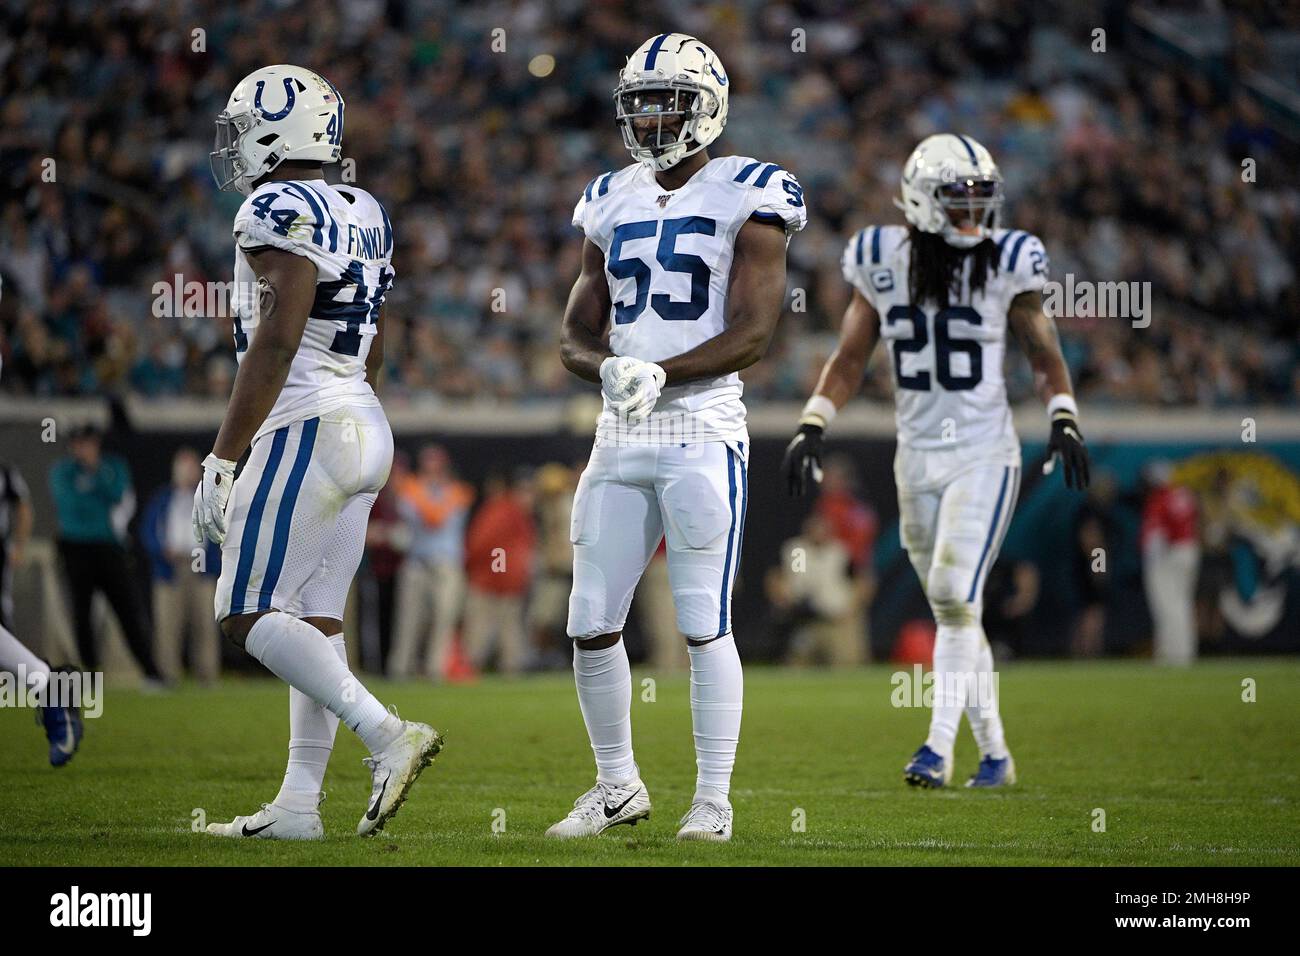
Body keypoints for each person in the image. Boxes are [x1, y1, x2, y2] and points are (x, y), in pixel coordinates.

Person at [547, 34, 806, 842]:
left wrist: (663, 372)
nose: (654, 118)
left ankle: (713, 799)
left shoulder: (752, 191)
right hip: (620, 433)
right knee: (589, 616)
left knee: (702, 621)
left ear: (710, 106)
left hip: (701, 427)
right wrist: (608, 371)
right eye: (642, 103)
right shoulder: (608, 196)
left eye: (671, 102)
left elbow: (758, 331)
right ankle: (617, 785)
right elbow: (573, 333)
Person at [784, 134, 1091, 788]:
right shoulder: (881, 257)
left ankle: (936, 749)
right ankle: (998, 757)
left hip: (983, 452)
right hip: (915, 457)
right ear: (922, 201)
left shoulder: (1009, 259)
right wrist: (814, 422)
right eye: (959, 202)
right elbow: (848, 358)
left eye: (983, 201)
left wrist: (1063, 412)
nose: (975, 217)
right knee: (959, 610)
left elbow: (1042, 350)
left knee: (953, 595)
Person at [193, 65, 440, 841]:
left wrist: (223, 457)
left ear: (276, 131)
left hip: (306, 424)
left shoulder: (274, 205)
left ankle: (384, 733)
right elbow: (368, 334)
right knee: (317, 618)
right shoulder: (362, 206)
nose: (235, 148)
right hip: (361, 417)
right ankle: (299, 805)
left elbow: (278, 334)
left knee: (243, 610)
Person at [49, 424, 163, 683]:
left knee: (128, 609)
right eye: (78, 443)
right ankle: (89, 671)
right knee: (81, 611)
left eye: (87, 442)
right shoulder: (62, 470)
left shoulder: (113, 465)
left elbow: (118, 494)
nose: (83, 448)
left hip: (109, 546)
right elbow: (69, 503)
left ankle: (151, 672)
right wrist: (96, 489)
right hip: (75, 546)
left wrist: (93, 475)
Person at [0, 459, 82, 766]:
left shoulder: (6, 474)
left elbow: (22, 506)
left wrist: (18, 545)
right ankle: (47, 684)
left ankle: (47, 684)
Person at [386, 445, 473, 680]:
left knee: (444, 619)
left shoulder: (457, 491)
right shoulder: (412, 489)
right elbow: (426, 516)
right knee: (408, 620)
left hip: (446, 564)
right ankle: (400, 669)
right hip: (417, 562)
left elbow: (436, 517)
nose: (433, 471)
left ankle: (436, 670)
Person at [141, 447, 222, 684]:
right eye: (182, 467)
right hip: (170, 568)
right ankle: (167, 674)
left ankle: (207, 675)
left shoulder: (209, 498)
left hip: (201, 568)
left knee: (204, 624)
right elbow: (148, 532)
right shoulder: (163, 499)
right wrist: (161, 551)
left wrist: (213, 563)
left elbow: (220, 533)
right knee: (168, 625)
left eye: (191, 467)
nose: (187, 473)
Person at [462, 471, 536, 675]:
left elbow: (486, 545)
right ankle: (511, 665)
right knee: (508, 625)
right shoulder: (515, 511)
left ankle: (473, 664)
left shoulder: (499, 510)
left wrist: (497, 574)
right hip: (507, 578)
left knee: (483, 624)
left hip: (492, 580)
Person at [767, 514, 860, 667]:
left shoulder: (839, 552)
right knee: (796, 663)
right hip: (801, 619)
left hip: (834, 618)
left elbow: (861, 580)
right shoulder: (797, 550)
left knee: (846, 663)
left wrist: (852, 607)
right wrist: (782, 597)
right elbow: (778, 577)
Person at [1141, 461, 1200, 665]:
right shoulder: (1184, 494)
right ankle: (1183, 651)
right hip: (1189, 549)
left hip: (1169, 553)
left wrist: (1152, 560)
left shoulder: (1160, 498)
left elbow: (1155, 534)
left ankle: (1172, 653)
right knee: (1182, 603)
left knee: (1167, 605)